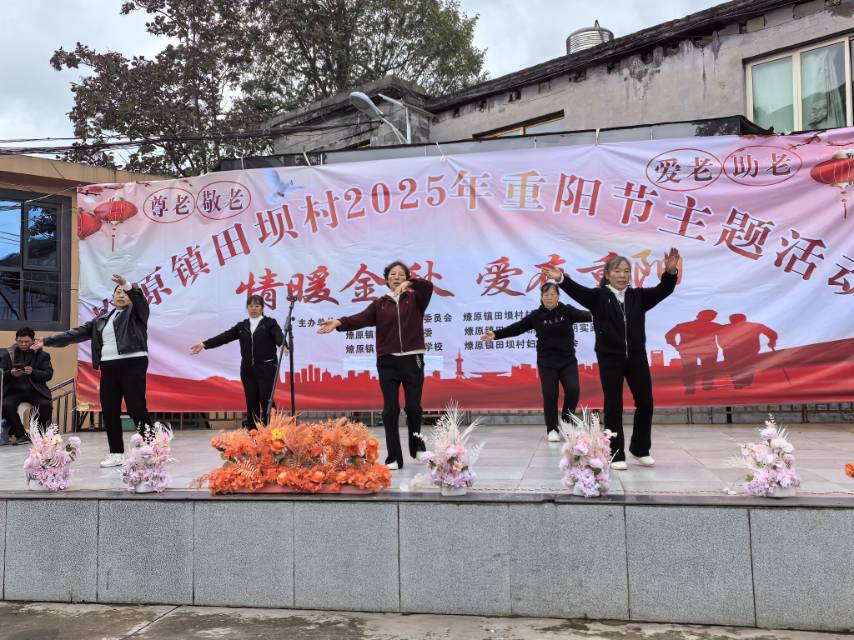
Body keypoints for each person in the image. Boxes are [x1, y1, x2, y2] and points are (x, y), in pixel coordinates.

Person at [543, 249, 680, 470]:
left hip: (636, 356)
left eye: (626, 271)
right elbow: (578, 291)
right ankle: (616, 453)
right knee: (614, 405)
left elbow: (663, 290)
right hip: (610, 358)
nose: (622, 275)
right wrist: (561, 279)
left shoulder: (638, 297)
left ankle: (640, 449)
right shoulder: (598, 297)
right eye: (617, 271)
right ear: (607, 274)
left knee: (646, 402)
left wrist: (670, 273)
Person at [318, 261, 433, 470]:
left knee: (413, 407)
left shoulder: (416, 299)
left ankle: (417, 447)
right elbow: (360, 318)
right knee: (390, 411)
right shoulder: (380, 304)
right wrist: (339, 322)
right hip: (387, 362)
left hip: (412, 359)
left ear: (407, 278)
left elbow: (427, 286)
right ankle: (393, 458)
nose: (396, 277)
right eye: (392, 274)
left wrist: (409, 284)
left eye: (401, 274)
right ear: (386, 279)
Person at [34, 274, 152, 467]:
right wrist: (47, 341)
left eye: (124, 293)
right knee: (109, 410)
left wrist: (127, 285)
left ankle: (153, 449)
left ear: (131, 297)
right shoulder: (101, 320)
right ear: (112, 298)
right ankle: (116, 453)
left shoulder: (137, 313)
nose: (121, 295)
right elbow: (75, 334)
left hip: (132, 363)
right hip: (108, 367)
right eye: (118, 292)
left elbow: (140, 300)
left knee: (136, 408)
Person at [480, 283, 591, 442]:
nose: (549, 298)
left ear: (558, 297)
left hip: (567, 360)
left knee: (573, 390)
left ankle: (567, 421)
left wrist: (603, 311)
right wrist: (496, 334)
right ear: (541, 297)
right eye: (546, 295)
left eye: (552, 295)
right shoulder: (536, 316)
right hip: (547, 362)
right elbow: (516, 328)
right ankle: (552, 429)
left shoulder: (567, 311)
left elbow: (587, 315)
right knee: (550, 395)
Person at [190, 294, 285, 427]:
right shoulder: (242, 326)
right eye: (250, 306)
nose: (254, 309)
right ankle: (253, 430)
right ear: (247, 308)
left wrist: (283, 344)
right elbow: (224, 337)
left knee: (266, 399)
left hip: (267, 368)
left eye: (257, 306)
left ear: (262, 308)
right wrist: (205, 344)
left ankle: (272, 429)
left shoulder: (270, 323)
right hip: (248, 370)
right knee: (251, 401)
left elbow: (278, 335)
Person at [0, 327, 54, 445]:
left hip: (35, 390)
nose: (23, 344)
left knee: (45, 405)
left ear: (33, 341)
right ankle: (21, 435)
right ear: (16, 340)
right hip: (14, 391)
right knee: (5, 405)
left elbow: (48, 374)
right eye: (20, 341)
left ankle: (40, 435)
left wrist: (33, 372)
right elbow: (1, 373)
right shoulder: (8, 355)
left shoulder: (42, 355)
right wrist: (11, 374)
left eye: (27, 341)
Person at [665, 310, 722, 394]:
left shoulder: (683, 325)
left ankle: (690, 389)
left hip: (690, 350)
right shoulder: (714, 326)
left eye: (713, 317)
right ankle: (707, 387)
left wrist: (675, 345)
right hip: (707, 350)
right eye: (712, 316)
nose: (713, 318)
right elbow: (729, 330)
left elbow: (669, 335)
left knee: (689, 369)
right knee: (708, 368)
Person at [717, 313, 778, 388]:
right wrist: (772, 341)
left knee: (739, 368)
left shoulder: (725, 328)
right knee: (745, 367)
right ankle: (742, 384)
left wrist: (772, 341)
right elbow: (772, 334)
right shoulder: (755, 326)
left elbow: (772, 334)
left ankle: (741, 385)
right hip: (744, 351)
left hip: (736, 352)